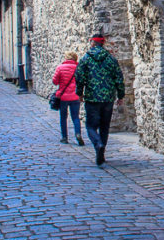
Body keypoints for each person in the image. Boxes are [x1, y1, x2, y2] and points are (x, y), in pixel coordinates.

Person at [74, 33, 125, 166]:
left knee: (91, 125)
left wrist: (79, 93)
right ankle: (101, 153)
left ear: (92, 43)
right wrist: (121, 95)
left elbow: (79, 77)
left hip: (92, 97)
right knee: (104, 125)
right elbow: (118, 78)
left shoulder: (86, 59)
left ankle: (97, 144)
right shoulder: (110, 59)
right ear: (103, 43)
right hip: (108, 97)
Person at [51, 51, 83, 146]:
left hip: (63, 97)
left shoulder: (60, 68)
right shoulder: (79, 68)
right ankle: (78, 134)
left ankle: (64, 137)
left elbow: (55, 81)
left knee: (63, 117)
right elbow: (81, 81)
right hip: (75, 96)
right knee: (75, 117)